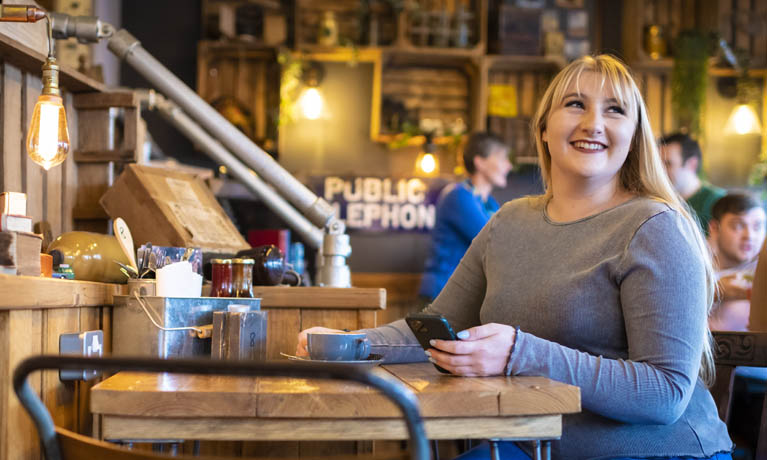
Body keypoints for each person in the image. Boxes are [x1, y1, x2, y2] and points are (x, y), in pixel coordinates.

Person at [298, 55, 732, 459]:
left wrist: (519, 352)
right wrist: (345, 345)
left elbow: (665, 394)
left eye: (615, 110)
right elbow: (434, 330)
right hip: (532, 447)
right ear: (543, 128)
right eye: (576, 104)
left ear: (635, 136)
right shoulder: (508, 221)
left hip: (661, 451)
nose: (594, 122)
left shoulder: (656, 227)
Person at [419, 133, 512, 301]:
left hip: (463, 296)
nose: (509, 166)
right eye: (502, 158)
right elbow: (495, 241)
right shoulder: (458, 196)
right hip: (442, 295)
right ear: (480, 162)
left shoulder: (489, 203)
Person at [707, 193, 766, 331]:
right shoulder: (696, 268)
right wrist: (712, 292)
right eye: (738, 226)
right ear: (715, 228)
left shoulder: (763, 272)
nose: (749, 236)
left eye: (757, 227)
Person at [659, 132, 726, 234]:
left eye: (668, 164)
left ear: (692, 164)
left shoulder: (717, 201)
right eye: (658, 165)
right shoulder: (660, 200)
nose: (660, 171)